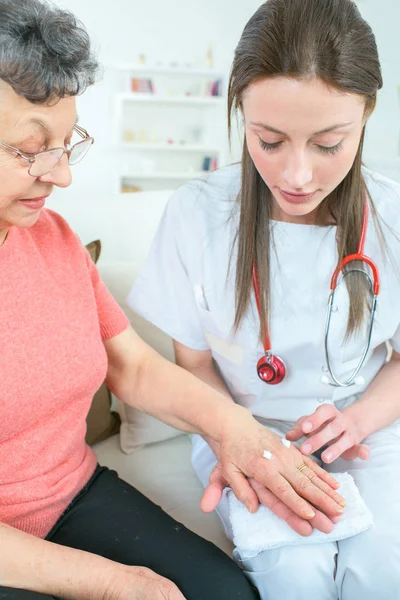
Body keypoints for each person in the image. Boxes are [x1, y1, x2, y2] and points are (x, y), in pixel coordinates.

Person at [0, 0, 346, 598]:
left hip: (74, 496)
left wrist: (238, 430)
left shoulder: (52, 240)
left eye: (66, 144)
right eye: (30, 150)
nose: (62, 177)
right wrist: (112, 583)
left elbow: (132, 365)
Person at [127, 0, 400, 598]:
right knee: (294, 575)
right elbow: (195, 365)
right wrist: (241, 441)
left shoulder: (393, 217)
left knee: (383, 571)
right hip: (240, 427)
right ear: (239, 110)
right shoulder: (198, 214)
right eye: (269, 140)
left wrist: (358, 419)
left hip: (366, 428)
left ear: (367, 114)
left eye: (329, 144)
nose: (297, 175)